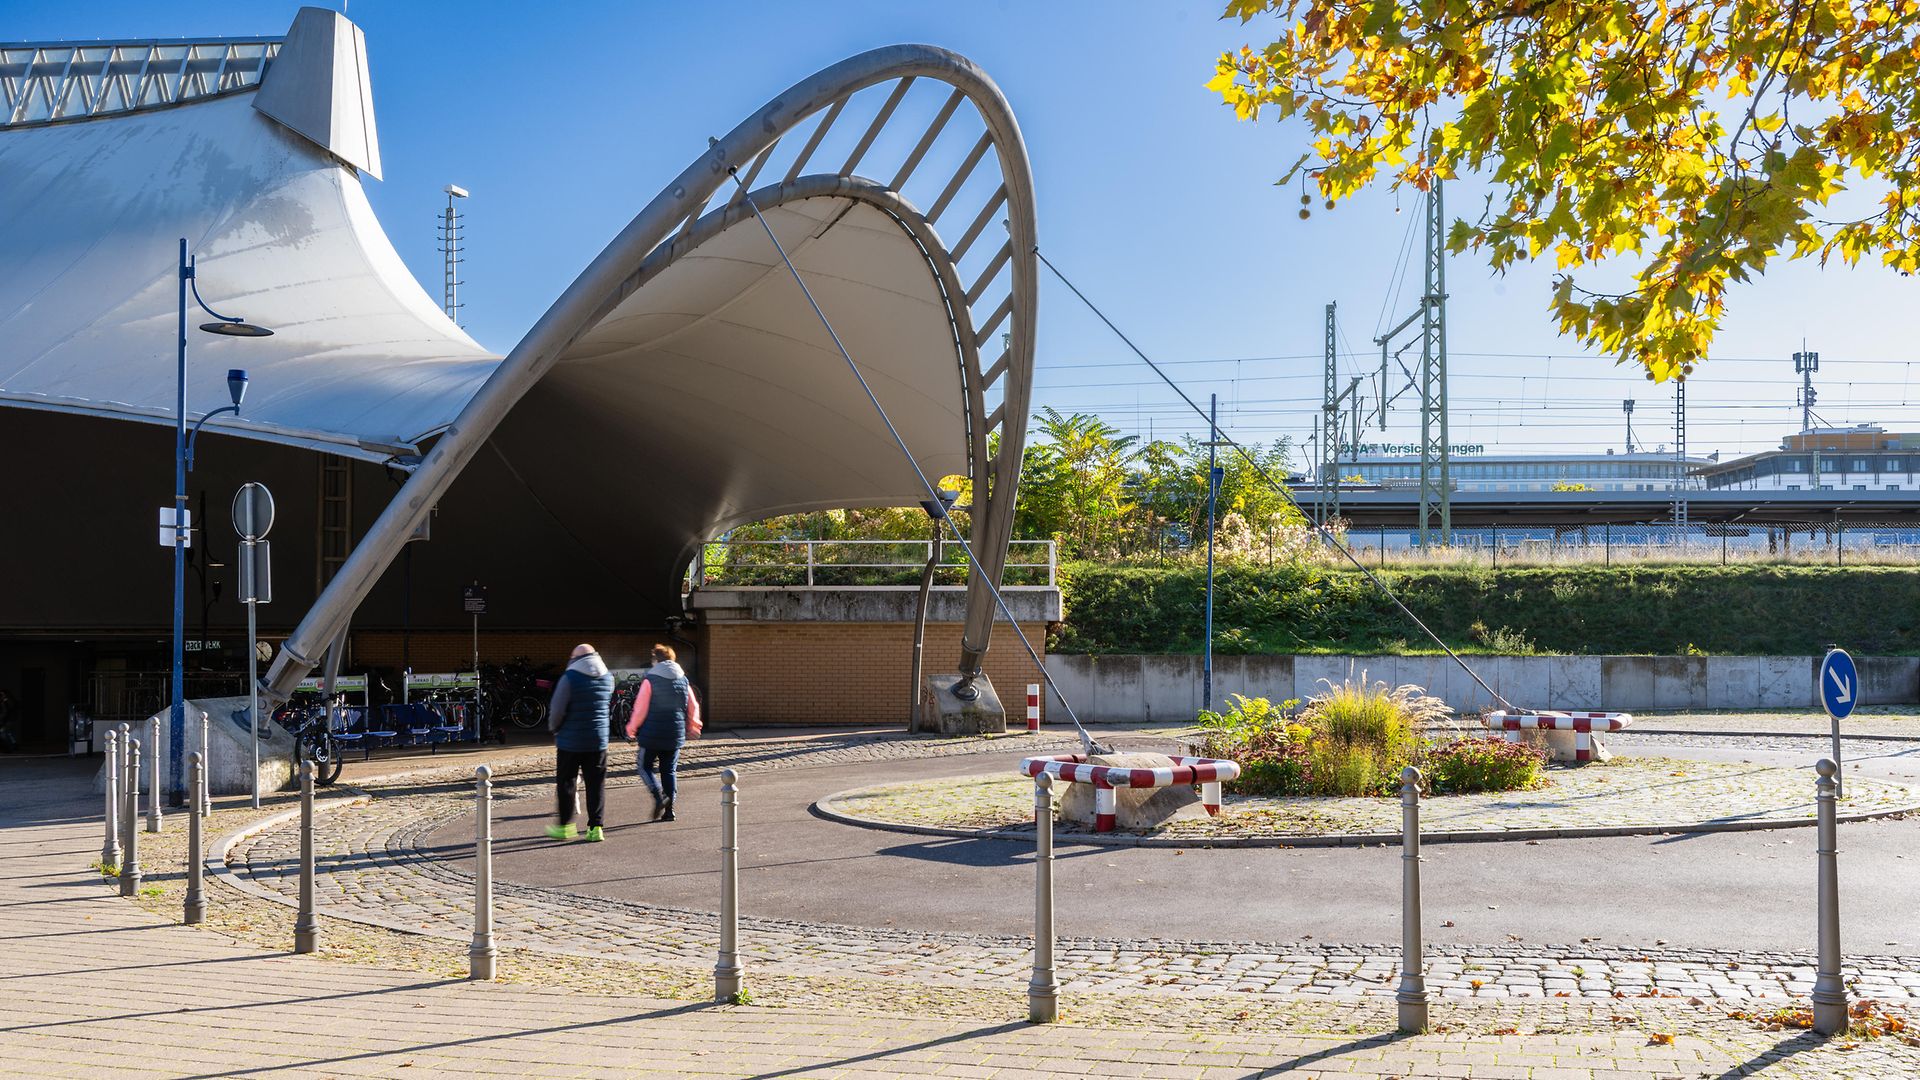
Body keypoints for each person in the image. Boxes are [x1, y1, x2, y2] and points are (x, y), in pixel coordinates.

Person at [546, 643, 614, 841]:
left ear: (575, 659)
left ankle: (566, 826)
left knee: (567, 783)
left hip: (570, 741)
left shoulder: (569, 678)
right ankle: (596, 828)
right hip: (598, 741)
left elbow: (557, 711)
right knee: (596, 784)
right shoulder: (607, 677)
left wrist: (554, 728)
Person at [625, 644, 699, 821]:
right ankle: (669, 811)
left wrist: (631, 730)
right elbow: (693, 706)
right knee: (669, 771)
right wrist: (694, 726)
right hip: (675, 734)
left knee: (644, 766)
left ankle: (659, 796)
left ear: (656, 660)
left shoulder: (650, 680)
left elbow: (640, 709)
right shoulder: (683, 680)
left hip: (652, 734)